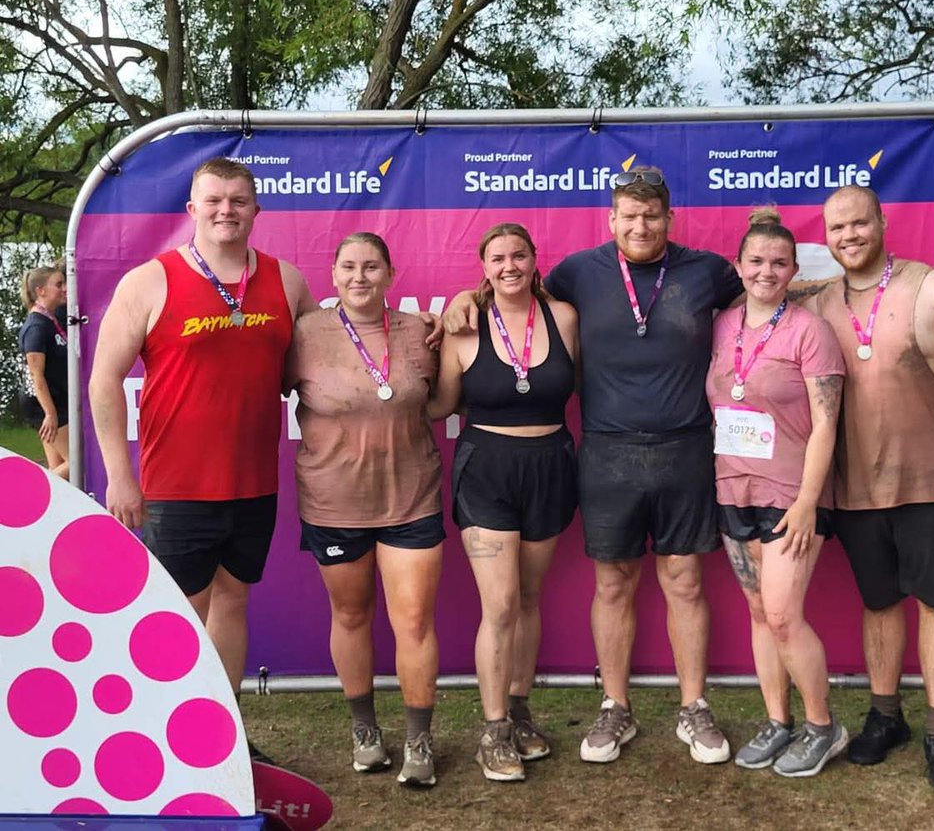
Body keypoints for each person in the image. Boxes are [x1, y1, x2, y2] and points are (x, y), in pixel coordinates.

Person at [444, 167, 743, 765]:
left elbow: (764, 302)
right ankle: (615, 708)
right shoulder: (581, 272)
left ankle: (694, 708)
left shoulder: (708, 270)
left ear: (668, 219)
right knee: (614, 583)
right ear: (611, 220)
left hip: (685, 448)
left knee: (684, 581)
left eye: (651, 216)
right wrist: (462, 298)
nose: (640, 226)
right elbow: (515, 294)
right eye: (628, 216)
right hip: (606, 453)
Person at [89, 157, 315, 760]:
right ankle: (165, 739)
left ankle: (224, 734)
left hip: (252, 483)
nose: (225, 211)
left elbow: (323, 364)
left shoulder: (287, 282)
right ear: (191, 209)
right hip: (175, 486)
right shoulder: (149, 280)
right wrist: (118, 474)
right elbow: (103, 381)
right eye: (213, 200)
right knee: (180, 616)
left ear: (256, 210)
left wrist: (418, 327)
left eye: (238, 200)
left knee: (233, 603)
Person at [805, 184, 934, 791]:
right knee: (879, 605)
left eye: (859, 223)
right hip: (857, 487)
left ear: (882, 221)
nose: (849, 236)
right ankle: (885, 716)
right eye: (836, 228)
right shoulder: (816, 306)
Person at [286, 232, 443, 786]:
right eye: (349, 267)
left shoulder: (422, 330)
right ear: (332, 275)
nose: (360, 277)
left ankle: (419, 741)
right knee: (351, 616)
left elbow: (444, 398)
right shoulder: (304, 333)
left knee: (414, 622)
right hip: (333, 502)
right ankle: (365, 733)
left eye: (371, 266)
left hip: (411, 498)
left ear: (390, 273)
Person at [430, 223, 579, 782]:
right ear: (484, 267)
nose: (510, 265)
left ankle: (519, 713)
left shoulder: (564, 318)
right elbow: (440, 405)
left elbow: (586, 384)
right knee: (500, 606)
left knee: (530, 598)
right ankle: (491, 731)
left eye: (519, 255)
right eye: (498, 258)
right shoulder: (463, 328)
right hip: (486, 470)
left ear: (536, 260)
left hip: (550, 466)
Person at [706, 207, 848, 778]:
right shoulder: (722, 324)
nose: (767, 271)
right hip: (732, 487)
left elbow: (827, 423)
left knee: (786, 615)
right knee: (761, 613)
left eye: (779, 263)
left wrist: (809, 501)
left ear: (794, 270)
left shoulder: (810, 331)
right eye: (757, 261)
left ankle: (823, 726)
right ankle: (777, 720)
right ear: (739, 266)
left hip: (790, 493)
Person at [18, 265, 70, 479]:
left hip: (54, 401)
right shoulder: (36, 327)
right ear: (41, 291)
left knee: (56, 466)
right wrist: (50, 413)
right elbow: (35, 376)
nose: (64, 289)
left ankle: (53, 508)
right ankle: (26, 498)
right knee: (77, 461)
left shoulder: (50, 320)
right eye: (58, 284)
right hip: (46, 404)